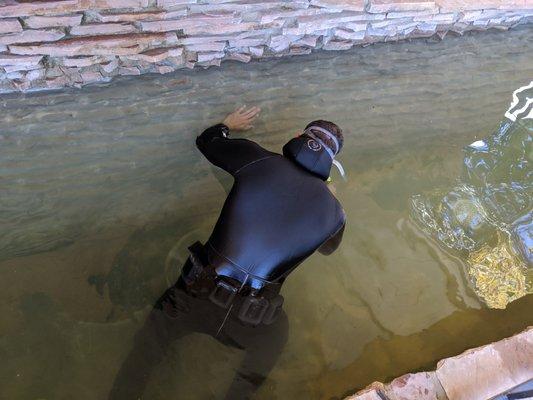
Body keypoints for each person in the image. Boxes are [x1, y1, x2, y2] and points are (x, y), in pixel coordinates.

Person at [109, 106, 346, 399]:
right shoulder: (335, 213)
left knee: (144, 353)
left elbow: (207, 142)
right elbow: (328, 249)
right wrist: (332, 198)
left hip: (195, 294)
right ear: (331, 164)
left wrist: (226, 124)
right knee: (272, 344)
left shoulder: (258, 160)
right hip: (252, 319)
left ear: (298, 136)